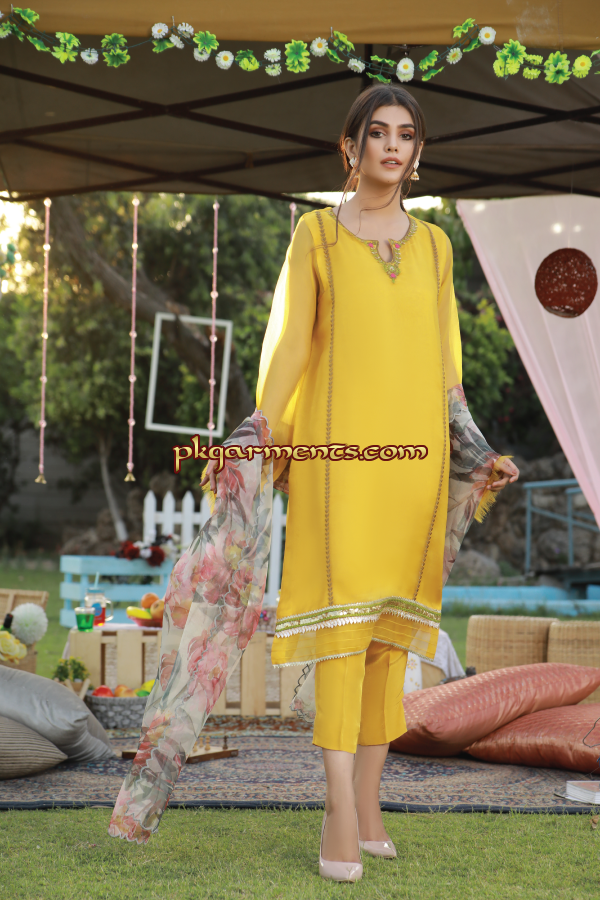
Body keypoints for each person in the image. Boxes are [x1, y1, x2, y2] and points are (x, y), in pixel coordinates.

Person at [108, 84, 518, 880]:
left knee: (389, 639)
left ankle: (367, 801)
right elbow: (291, 345)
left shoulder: (436, 247)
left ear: (417, 151)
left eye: (406, 134)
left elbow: (448, 375)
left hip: (415, 471)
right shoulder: (317, 236)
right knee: (341, 636)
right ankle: (337, 809)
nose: (392, 146)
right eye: (378, 133)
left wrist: (476, 451)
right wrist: (260, 427)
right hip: (340, 467)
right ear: (350, 147)